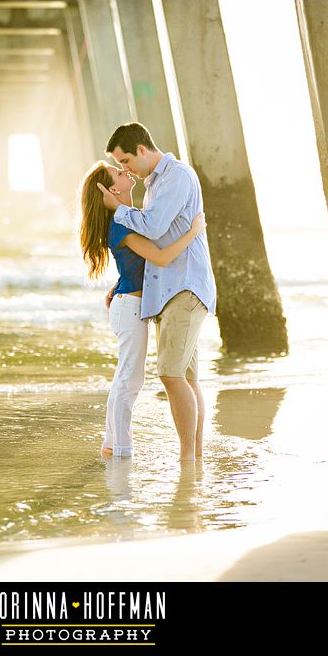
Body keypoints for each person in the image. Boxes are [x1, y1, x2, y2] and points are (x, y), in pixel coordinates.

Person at [96, 122, 216, 462]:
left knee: (171, 373)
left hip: (184, 287)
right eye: (120, 167)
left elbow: (153, 227)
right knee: (186, 377)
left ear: (143, 150)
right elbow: (151, 247)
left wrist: (116, 208)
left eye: (126, 161)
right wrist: (119, 286)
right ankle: (194, 458)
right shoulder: (154, 184)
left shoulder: (176, 176)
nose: (125, 170)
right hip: (166, 291)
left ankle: (187, 458)